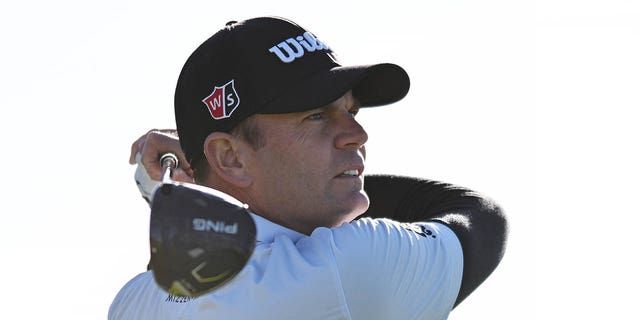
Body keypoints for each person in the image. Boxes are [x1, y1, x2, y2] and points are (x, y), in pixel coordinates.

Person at [109, 16, 508, 320]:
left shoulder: (134, 301)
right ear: (230, 158)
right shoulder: (347, 267)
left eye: (350, 110)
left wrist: (205, 178)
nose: (357, 133)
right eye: (316, 116)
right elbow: (480, 216)